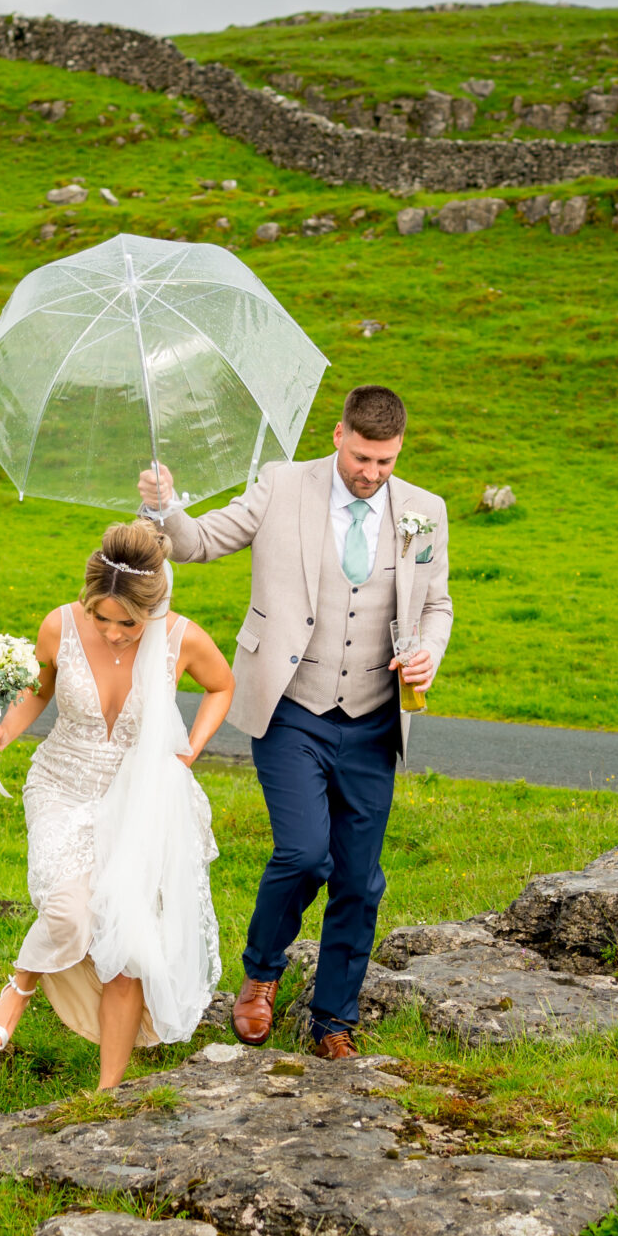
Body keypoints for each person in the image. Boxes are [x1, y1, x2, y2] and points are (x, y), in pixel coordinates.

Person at [138, 383, 452, 1060]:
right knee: (306, 852)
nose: (371, 474)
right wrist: (164, 507)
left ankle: (334, 1020)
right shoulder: (282, 485)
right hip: (290, 706)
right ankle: (261, 971)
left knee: (361, 879)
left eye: (386, 462)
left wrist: (429, 651)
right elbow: (199, 542)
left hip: (374, 716)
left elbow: (438, 605)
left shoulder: (426, 512)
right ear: (340, 434)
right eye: (362, 456)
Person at [0, 519, 235, 1090]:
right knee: (69, 911)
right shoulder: (57, 627)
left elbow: (222, 685)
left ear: (155, 610)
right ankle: (18, 991)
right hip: (63, 786)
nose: (114, 633)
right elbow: (38, 691)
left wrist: (189, 751)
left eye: (129, 625)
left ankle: (107, 1091)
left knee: (128, 938)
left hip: (139, 799)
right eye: (101, 617)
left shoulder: (182, 637)